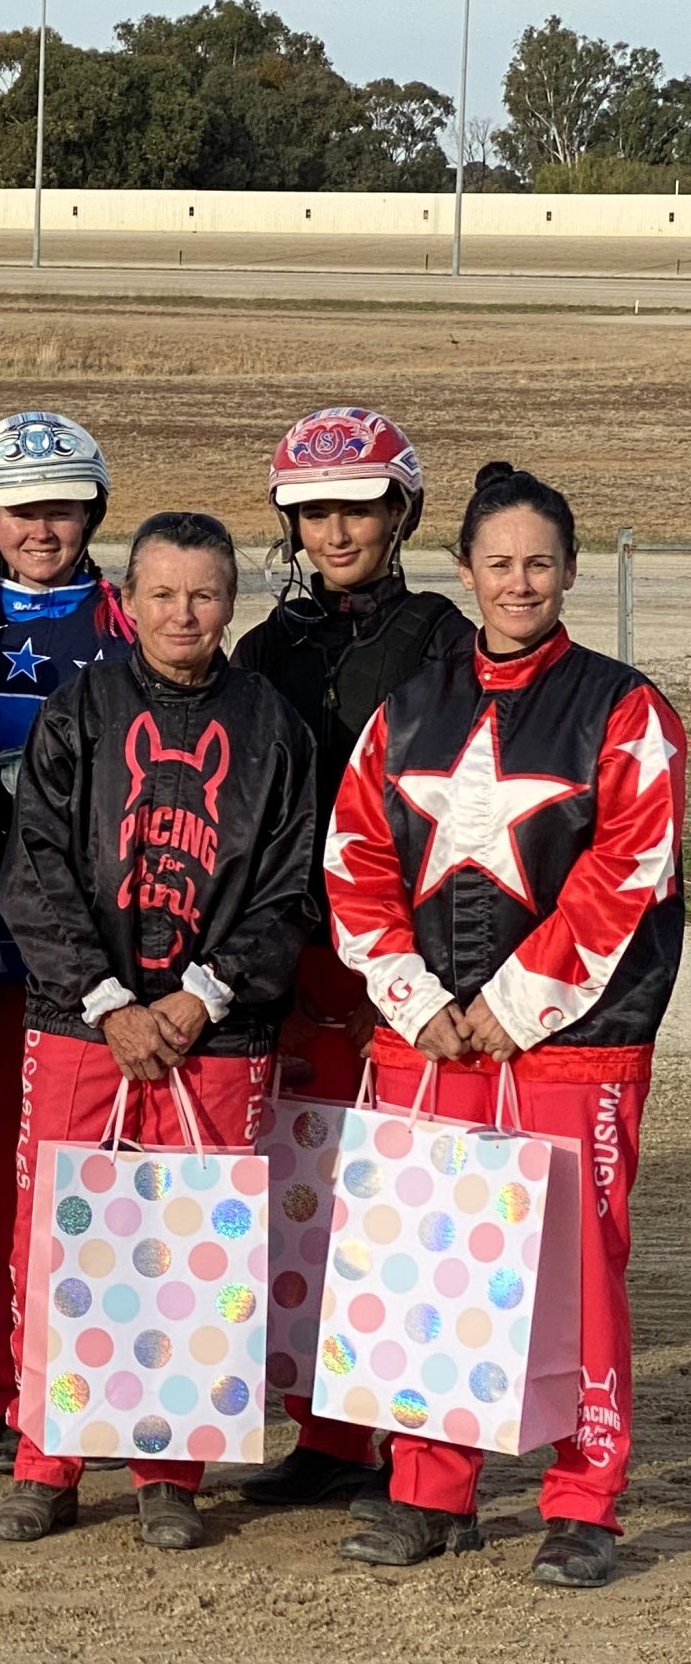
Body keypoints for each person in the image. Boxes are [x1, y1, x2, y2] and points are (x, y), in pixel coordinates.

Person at [324, 466, 681, 1591]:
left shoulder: (627, 710)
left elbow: (627, 873)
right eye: (498, 563)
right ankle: (430, 1489)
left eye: (538, 563)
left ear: (568, 572)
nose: (518, 582)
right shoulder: (408, 708)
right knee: (430, 1261)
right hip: (430, 1044)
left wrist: (512, 1006)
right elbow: (354, 864)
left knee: (577, 1279)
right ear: (464, 572)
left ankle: (585, 1499)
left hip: (574, 1043)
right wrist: (421, 1003)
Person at [0, 510, 319, 1552]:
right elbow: (34, 863)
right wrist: (107, 1001)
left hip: (217, 1034)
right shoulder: (79, 711)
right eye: (163, 593)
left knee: (188, 1250)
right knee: (60, 1241)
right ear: (125, 601)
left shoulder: (273, 729)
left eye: (205, 594)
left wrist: (198, 997)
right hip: (81, 1025)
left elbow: (290, 888)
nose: (184, 614)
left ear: (233, 602)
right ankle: (46, 1457)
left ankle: (167, 1466)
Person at [228, 407, 470, 1510]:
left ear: (401, 511)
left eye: (358, 507)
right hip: (296, 967)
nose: (336, 530)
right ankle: (327, 1435)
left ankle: (413, 1441)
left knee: (408, 1201)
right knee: (309, 1198)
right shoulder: (262, 653)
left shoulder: (448, 645)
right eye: (315, 511)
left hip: (410, 966)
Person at [0, 411, 133, 1474]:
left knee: (99, 1182)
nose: (41, 527)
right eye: (20, 511)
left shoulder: (130, 624)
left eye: (60, 506)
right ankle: (3, 1394)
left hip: (109, 970)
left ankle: (101, 1379)